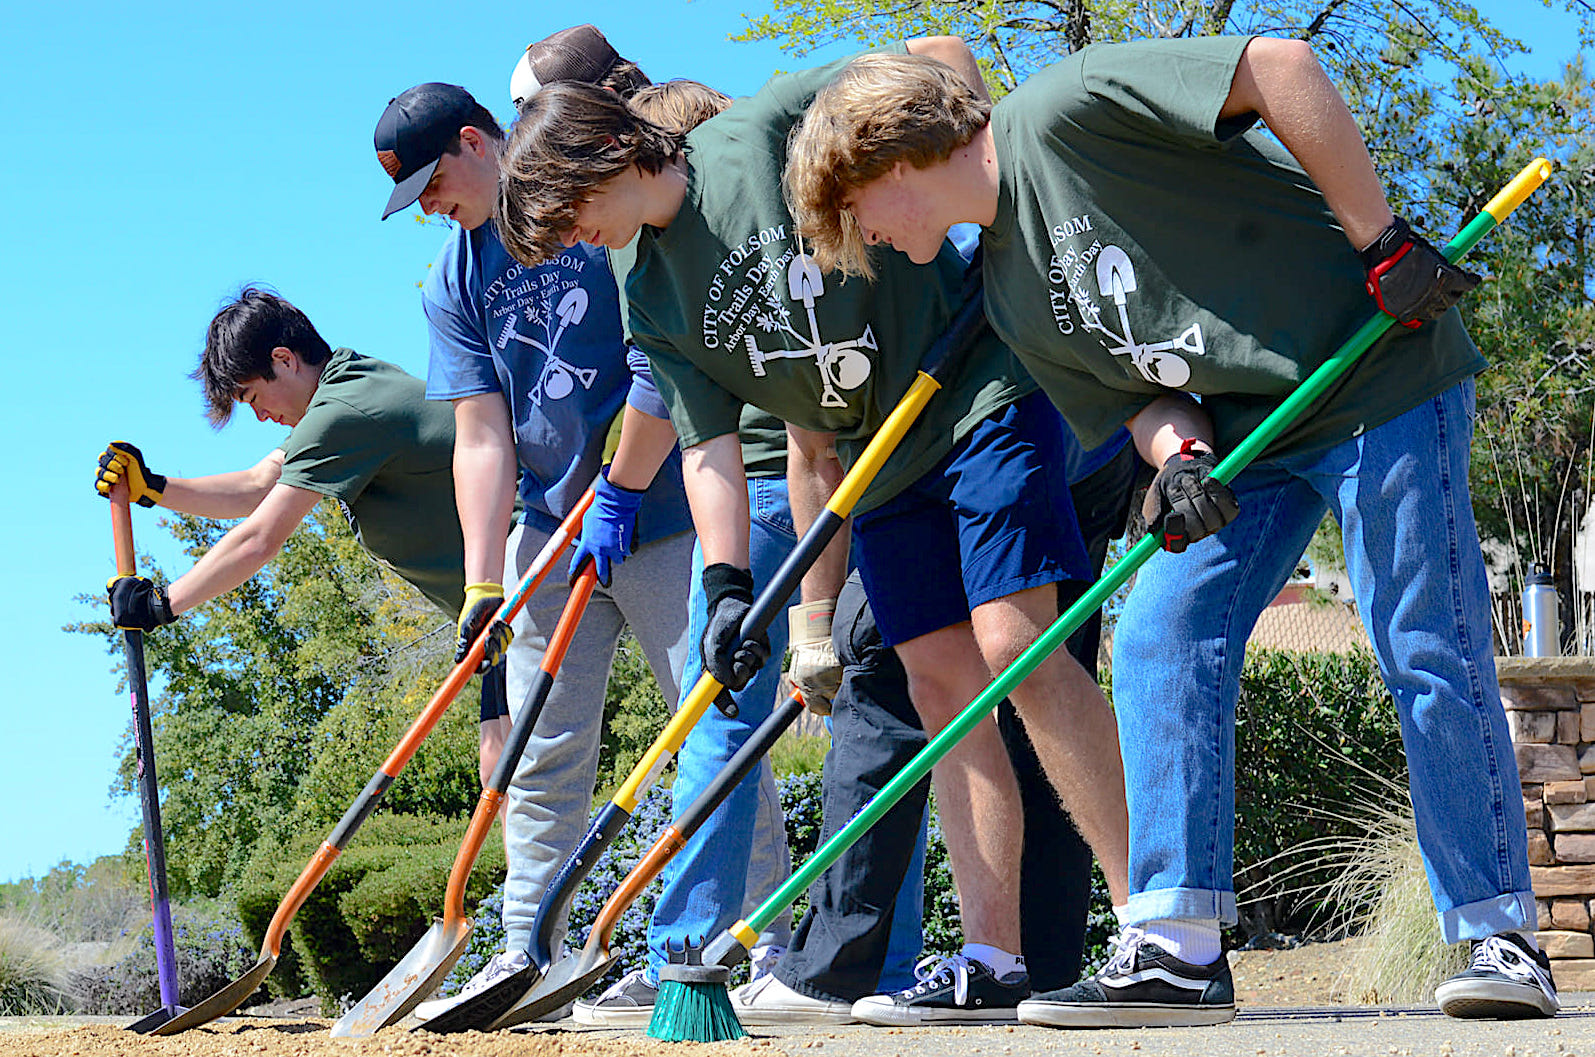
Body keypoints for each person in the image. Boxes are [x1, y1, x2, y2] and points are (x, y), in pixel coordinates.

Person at [780, 35, 1555, 1026]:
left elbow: (1279, 67)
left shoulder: (1060, 111)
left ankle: (1497, 933)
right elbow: (1143, 397)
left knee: (1420, 640)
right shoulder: (1009, 296)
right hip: (1251, 433)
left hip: (1375, 374)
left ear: (890, 167)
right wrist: (1178, 462)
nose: (865, 243)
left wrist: (1379, 241)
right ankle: (1177, 943)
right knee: (1156, 636)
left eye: (856, 215)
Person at [495, 34, 1134, 1025]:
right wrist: (724, 586)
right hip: (875, 459)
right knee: (938, 689)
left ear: (606, 160)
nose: (577, 244)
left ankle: (1153, 929)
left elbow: (934, 55)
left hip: (978, 393)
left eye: (570, 220)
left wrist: (992, 220)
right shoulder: (649, 297)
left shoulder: (753, 134)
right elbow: (708, 452)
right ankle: (990, 957)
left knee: (1017, 647)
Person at [371, 70, 790, 1020]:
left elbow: (661, 353)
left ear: (477, 143)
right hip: (546, 536)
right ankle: (529, 949)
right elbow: (481, 434)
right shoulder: (454, 278)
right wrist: (486, 580)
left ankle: (761, 945)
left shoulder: (585, 206)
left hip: (668, 516)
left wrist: (618, 484)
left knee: (714, 723)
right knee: (539, 748)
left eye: (432, 181)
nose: (431, 206)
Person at [734, 427, 1138, 1025]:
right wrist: (816, 621)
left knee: (914, 672)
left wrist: (822, 622)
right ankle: (1030, 973)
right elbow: (816, 451)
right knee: (993, 683)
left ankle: (831, 971)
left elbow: (817, 453)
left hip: (1017, 434)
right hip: (1034, 450)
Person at [95, 289, 510, 782]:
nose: (260, 416)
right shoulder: (349, 383)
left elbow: (260, 538)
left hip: (524, 581)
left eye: (251, 397)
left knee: (518, 782)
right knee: (501, 775)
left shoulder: (342, 414)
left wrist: (160, 605)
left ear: (284, 360)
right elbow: (256, 486)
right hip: (499, 609)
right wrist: (154, 488)